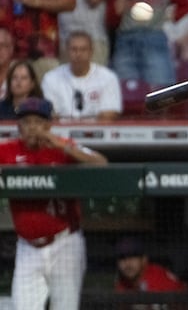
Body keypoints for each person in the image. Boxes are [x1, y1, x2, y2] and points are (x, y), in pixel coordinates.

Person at [0, 97, 107, 310]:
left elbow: (101, 163)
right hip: (27, 246)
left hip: (64, 243)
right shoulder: (8, 150)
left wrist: (62, 145)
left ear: (48, 125)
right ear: (19, 126)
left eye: (37, 122)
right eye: (26, 122)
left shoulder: (63, 147)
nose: (32, 127)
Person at [41, 31, 122, 121]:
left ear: (91, 52)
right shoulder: (50, 78)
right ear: (67, 51)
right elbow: (52, 115)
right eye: (74, 49)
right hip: (62, 129)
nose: (78, 54)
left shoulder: (108, 77)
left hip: (97, 129)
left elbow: (109, 115)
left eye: (83, 49)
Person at [115, 236, 188, 293]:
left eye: (132, 257)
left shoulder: (160, 278)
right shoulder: (122, 285)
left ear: (144, 260)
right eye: (122, 258)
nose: (127, 264)